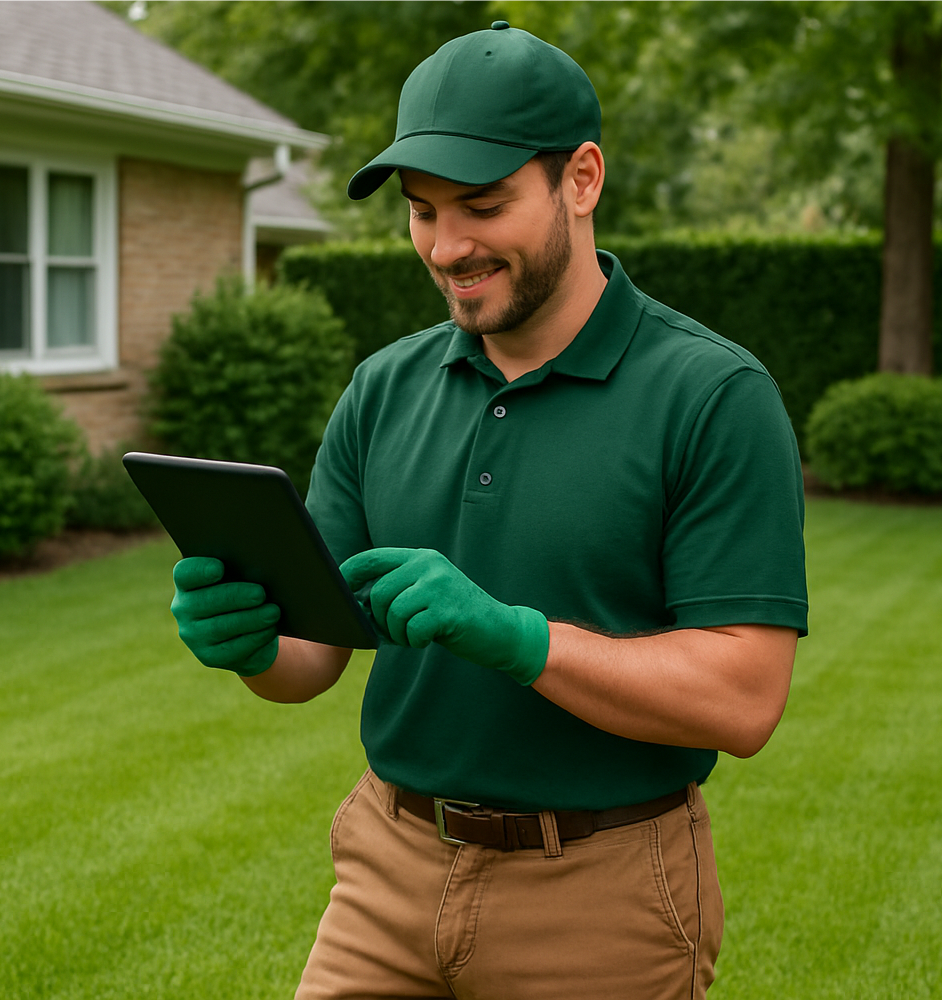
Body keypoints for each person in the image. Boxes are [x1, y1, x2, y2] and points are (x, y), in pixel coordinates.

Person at [170, 22, 808, 1000]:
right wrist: (252, 640)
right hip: (388, 866)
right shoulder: (383, 387)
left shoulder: (713, 395)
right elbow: (314, 656)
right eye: (421, 211)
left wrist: (515, 637)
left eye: (481, 204)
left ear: (581, 179)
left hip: (600, 892)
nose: (446, 245)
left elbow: (744, 697)